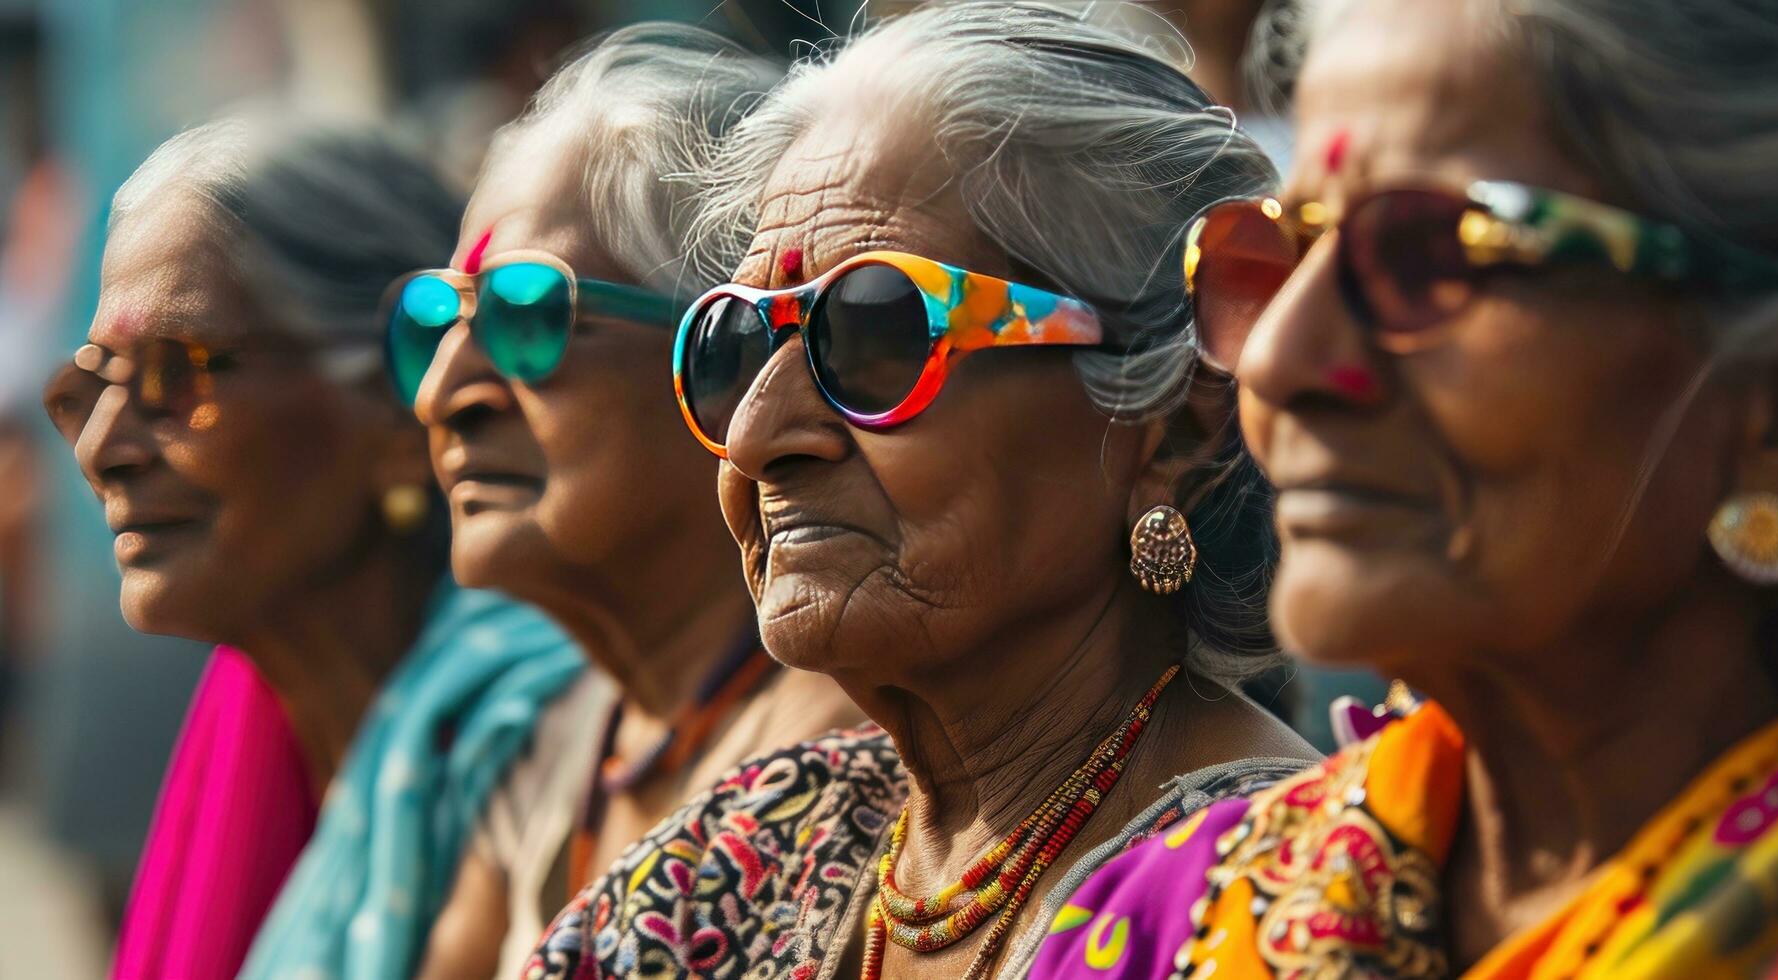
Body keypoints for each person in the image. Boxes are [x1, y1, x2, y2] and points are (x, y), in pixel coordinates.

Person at [525, 6, 1318, 979]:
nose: (757, 435)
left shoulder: (1271, 898)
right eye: (735, 343)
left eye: (878, 333)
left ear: (1171, 421)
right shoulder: (734, 862)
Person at [1031, 0, 1778, 975]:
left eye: (1429, 253)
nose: (1275, 360)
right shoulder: (1152, 926)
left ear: (1764, 411)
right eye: (1274, 256)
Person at [41, 118, 585, 980]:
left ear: (401, 403)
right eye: (88, 387)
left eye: (174, 375)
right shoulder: (260, 749)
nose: (102, 448)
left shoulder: (556, 763)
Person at [399, 25, 865, 980]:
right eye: (435, 320)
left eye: (529, 315)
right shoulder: (561, 740)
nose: (444, 390)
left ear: (729, 359)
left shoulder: (842, 749)